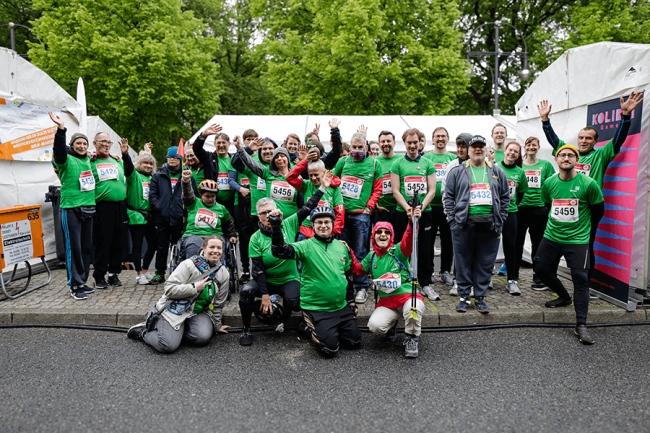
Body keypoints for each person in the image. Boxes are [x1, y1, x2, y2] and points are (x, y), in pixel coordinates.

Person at [538, 92, 643, 282]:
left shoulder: (600, 155)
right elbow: (554, 140)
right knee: (553, 244)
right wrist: (545, 120)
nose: (584, 141)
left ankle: (586, 284)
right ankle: (549, 280)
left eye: (588, 138)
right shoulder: (569, 154)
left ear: (596, 142)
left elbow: (618, 139)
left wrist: (625, 117)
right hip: (563, 209)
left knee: (586, 247)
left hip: (586, 211)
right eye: (581, 138)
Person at [239, 171, 333, 346]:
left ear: (277, 210)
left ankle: (285, 317)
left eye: (270, 211)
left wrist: (322, 188)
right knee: (246, 292)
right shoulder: (255, 238)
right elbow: (257, 269)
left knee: (295, 301)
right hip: (265, 280)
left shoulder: (290, 223)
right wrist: (265, 294)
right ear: (258, 216)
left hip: (288, 278)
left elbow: (309, 206)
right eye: (263, 213)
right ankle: (246, 328)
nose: (267, 216)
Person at [534, 144, 604, 345]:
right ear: (556, 160)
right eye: (562, 155)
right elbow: (549, 204)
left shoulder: (589, 184)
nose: (566, 157)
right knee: (541, 269)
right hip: (552, 236)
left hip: (578, 239)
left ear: (576, 160)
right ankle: (564, 296)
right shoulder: (548, 183)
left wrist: (586, 232)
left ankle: (581, 324)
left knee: (580, 278)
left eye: (571, 155)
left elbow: (599, 211)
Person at [270, 206, 360, 358]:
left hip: (339, 307)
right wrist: (276, 226)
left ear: (333, 224)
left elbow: (347, 275)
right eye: (319, 222)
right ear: (313, 225)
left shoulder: (341, 247)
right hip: (316, 307)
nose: (323, 225)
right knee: (330, 350)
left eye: (327, 222)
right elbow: (279, 251)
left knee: (354, 342)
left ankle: (330, 328)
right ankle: (307, 325)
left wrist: (350, 300)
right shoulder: (306, 246)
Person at [127, 235, 230, 353]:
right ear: (204, 248)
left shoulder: (223, 273)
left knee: (202, 338)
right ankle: (143, 332)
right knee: (167, 345)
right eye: (212, 247)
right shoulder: (189, 264)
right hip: (175, 308)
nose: (216, 251)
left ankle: (176, 332)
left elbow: (218, 304)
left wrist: (217, 326)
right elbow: (169, 289)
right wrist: (194, 288)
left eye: (219, 248)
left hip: (197, 312)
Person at [443, 135, 509, 314]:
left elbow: (505, 196)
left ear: (486, 149)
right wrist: (452, 219)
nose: (477, 149)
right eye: (474, 147)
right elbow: (448, 196)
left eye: (481, 146)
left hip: (490, 225)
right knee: (463, 262)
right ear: (469, 150)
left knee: (485, 262)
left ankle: (480, 297)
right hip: (463, 225)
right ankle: (464, 297)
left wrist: (501, 218)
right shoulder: (458, 171)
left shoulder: (496, 170)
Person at [349, 207, 424, 358]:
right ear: (373, 236)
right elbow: (357, 271)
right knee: (374, 326)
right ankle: (392, 325)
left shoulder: (398, 251)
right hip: (387, 303)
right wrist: (348, 252)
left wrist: (412, 221)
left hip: (408, 298)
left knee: (412, 309)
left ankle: (411, 338)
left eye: (387, 232)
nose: (383, 234)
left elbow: (409, 238)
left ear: (391, 236)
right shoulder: (371, 257)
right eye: (379, 232)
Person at [48, 111, 95, 300]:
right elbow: (59, 151)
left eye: (84, 143)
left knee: (85, 247)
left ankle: (82, 280)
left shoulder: (89, 161)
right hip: (71, 209)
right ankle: (74, 285)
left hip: (89, 208)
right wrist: (61, 129)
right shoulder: (65, 160)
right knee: (73, 247)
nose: (82, 146)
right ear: (72, 146)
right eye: (78, 143)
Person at [332, 130, 382, 304]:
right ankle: (345, 286)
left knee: (360, 252)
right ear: (350, 146)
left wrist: (369, 207)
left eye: (360, 147)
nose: (357, 150)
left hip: (361, 215)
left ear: (366, 147)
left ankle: (361, 287)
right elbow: (332, 181)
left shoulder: (375, 164)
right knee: (342, 251)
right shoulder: (342, 161)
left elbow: (377, 189)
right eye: (354, 147)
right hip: (342, 215)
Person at [390, 128, 437, 301]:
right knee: (403, 248)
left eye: (415, 142)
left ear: (420, 142)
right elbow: (396, 191)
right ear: (405, 143)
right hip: (404, 213)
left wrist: (421, 208)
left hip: (424, 212)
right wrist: (408, 209)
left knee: (425, 248)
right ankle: (404, 281)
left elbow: (432, 190)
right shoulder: (397, 164)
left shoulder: (427, 163)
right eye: (409, 142)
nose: (412, 145)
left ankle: (425, 284)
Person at [149, 146, 197, 285]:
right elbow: (152, 195)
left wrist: (186, 213)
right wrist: (159, 206)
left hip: (179, 218)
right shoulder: (159, 175)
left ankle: (178, 274)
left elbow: (193, 195)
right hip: (162, 217)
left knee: (180, 247)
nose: (171, 160)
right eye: (169, 157)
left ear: (180, 160)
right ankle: (159, 273)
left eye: (175, 158)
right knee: (161, 247)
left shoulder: (187, 175)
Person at [90, 133, 131, 289]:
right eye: (103, 142)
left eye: (109, 142)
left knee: (119, 242)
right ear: (94, 143)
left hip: (120, 206)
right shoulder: (90, 161)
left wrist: (124, 154)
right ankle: (99, 276)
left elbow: (129, 171)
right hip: (102, 207)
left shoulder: (116, 160)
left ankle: (114, 274)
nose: (106, 145)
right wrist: (92, 154)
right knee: (102, 242)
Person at [515, 136, 556, 289]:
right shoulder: (518, 165)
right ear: (524, 147)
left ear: (538, 147)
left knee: (537, 244)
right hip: (520, 208)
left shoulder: (545, 165)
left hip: (539, 209)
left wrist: (548, 205)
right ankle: (514, 275)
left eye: (534, 145)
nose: (531, 147)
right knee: (516, 243)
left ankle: (538, 274)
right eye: (528, 144)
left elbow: (552, 185)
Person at [233, 135, 301, 218]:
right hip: (271, 219)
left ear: (288, 159)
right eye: (276, 157)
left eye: (282, 156)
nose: (279, 159)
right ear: (273, 161)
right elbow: (249, 162)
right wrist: (240, 147)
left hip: (292, 220)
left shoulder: (297, 177)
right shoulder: (268, 173)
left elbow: (302, 201)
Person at [423, 127, 456, 286]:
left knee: (448, 240)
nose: (440, 139)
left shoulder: (453, 158)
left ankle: (445, 271)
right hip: (429, 206)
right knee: (428, 242)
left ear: (448, 138)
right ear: (433, 139)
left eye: (443, 136)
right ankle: (428, 272)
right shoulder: (427, 158)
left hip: (447, 207)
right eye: (437, 136)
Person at [286, 152, 344, 240]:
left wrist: (333, 231)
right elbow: (290, 178)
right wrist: (305, 161)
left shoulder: (334, 188)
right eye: (310, 175)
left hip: (325, 232)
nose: (313, 178)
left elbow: (340, 212)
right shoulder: (306, 185)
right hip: (305, 232)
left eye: (316, 175)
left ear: (323, 173)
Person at [441, 132, 472, 295]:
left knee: (473, 251)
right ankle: (459, 282)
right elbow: (445, 191)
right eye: (458, 145)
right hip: (457, 217)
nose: (460, 149)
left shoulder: (479, 164)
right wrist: (450, 217)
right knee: (459, 251)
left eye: (464, 146)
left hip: (475, 216)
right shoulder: (452, 165)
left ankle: (475, 282)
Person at [180, 174, 238, 260]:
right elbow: (187, 193)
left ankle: (216, 271)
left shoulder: (221, 208)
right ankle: (194, 271)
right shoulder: (193, 203)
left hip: (214, 236)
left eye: (212, 196)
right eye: (207, 196)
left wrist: (232, 235)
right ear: (201, 194)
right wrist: (186, 181)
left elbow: (229, 223)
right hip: (194, 234)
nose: (210, 199)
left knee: (216, 246)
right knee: (195, 245)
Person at [498, 141, 529, 295]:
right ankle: (486, 278)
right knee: (489, 245)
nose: (512, 153)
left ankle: (512, 280)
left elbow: (521, 193)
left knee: (511, 247)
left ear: (518, 155)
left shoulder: (520, 172)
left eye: (516, 152)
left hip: (511, 212)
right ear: (505, 151)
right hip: (494, 213)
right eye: (510, 150)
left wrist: (512, 204)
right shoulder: (494, 168)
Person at [126, 145, 157, 285]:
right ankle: (139, 274)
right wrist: (125, 154)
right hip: (136, 216)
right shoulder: (134, 176)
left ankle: (144, 270)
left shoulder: (152, 179)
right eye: (145, 163)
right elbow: (128, 168)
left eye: (151, 164)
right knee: (137, 246)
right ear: (139, 163)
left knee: (153, 244)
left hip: (149, 217)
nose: (148, 166)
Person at [192, 125, 236, 216]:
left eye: (223, 143)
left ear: (229, 144)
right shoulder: (208, 158)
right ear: (214, 144)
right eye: (218, 143)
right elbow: (196, 149)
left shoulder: (234, 160)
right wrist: (203, 135)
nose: (221, 145)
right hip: (213, 201)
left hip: (232, 203)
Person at [374, 131, 400, 229]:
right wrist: (376, 205)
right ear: (379, 144)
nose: (385, 144)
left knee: (400, 243)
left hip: (400, 210)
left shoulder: (401, 160)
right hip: (382, 211)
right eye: (383, 141)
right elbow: (370, 185)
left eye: (388, 141)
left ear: (394, 142)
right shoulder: (375, 162)